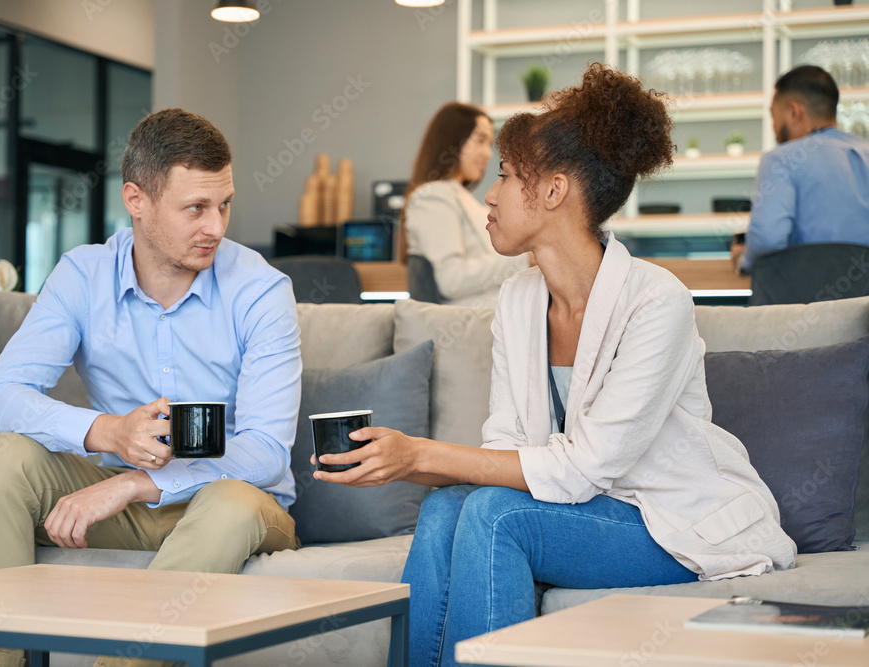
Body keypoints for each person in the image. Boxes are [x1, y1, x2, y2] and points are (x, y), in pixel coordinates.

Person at [316, 64, 796, 667]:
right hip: (581, 511)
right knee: (446, 506)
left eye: (506, 176)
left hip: (668, 523)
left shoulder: (657, 300)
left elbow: (587, 468)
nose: (489, 195)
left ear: (553, 191)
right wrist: (397, 464)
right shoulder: (518, 301)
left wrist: (419, 454)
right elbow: (507, 450)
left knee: (495, 515)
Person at [0, 109, 302, 667]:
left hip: (229, 503)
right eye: (195, 208)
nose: (216, 226)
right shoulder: (83, 275)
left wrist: (136, 483)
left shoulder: (261, 291)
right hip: (121, 499)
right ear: (136, 201)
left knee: (232, 505)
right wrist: (107, 432)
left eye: (224, 204)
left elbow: (264, 452)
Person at [732, 65, 869, 274]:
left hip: (803, 300)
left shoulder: (780, 159)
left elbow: (768, 238)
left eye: (773, 116)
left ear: (795, 111)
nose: (774, 128)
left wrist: (745, 259)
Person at [403, 102, 529, 307]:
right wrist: (525, 260)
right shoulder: (432, 196)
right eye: (480, 140)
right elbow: (451, 280)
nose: (488, 154)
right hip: (468, 320)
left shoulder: (463, 198)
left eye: (489, 143)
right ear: (451, 140)